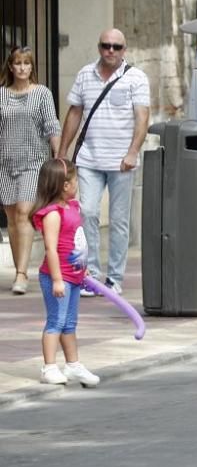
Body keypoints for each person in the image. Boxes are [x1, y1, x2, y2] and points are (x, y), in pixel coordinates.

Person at [59, 29, 150, 296]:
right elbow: (74, 113)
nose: (111, 50)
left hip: (121, 161)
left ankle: (114, 278)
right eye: (106, 45)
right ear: (99, 47)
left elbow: (142, 117)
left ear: (125, 50)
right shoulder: (85, 74)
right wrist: (63, 152)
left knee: (120, 220)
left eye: (117, 47)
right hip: (89, 158)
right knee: (86, 212)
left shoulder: (136, 77)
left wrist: (133, 151)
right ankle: (92, 274)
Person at [32, 158, 100, 387]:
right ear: (64, 185)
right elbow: (51, 248)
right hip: (56, 277)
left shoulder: (73, 207)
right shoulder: (52, 213)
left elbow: (75, 241)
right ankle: (49, 367)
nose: (77, 183)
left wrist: (83, 269)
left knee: (70, 323)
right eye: (74, 180)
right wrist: (57, 280)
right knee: (56, 322)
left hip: (74, 275)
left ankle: (73, 365)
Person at [0, 47, 61, 295]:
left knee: (24, 212)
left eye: (26, 63)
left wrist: (58, 157)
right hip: (5, 161)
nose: (22, 68)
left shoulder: (42, 94)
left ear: (31, 67)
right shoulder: (2, 95)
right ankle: (19, 268)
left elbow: (52, 126)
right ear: (11, 67)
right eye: (18, 63)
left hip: (34, 161)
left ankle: (22, 274)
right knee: (12, 217)